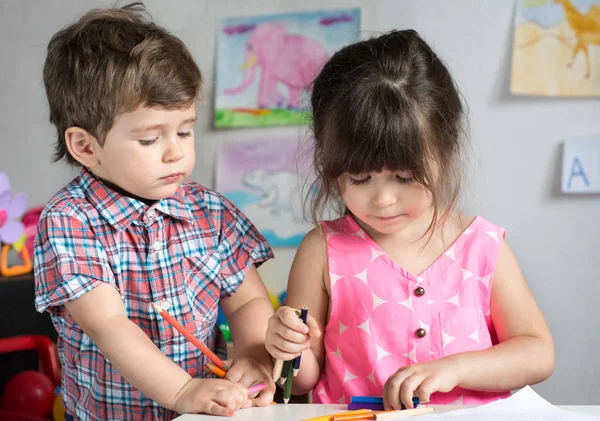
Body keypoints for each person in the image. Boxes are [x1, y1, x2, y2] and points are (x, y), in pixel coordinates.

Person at [265, 29, 554, 410]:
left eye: (404, 177)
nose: (384, 199)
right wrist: (287, 348)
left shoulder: (482, 246)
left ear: (445, 151)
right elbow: (303, 380)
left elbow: (538, 353)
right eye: (359, 178)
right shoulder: (323, 250)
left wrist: (455, 368)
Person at [34, 3, 275, 420]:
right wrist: (182, 389)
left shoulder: (211, 211)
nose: (176, 151)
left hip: (203, 414)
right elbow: (108, 324)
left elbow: (248, 301)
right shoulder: (69, 221)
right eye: (149, 140)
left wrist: (253, 356)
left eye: (185, 129)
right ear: (86, 147)